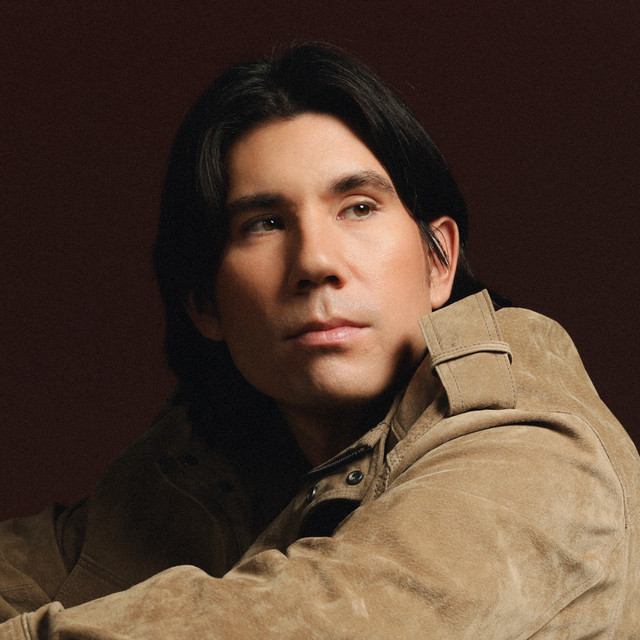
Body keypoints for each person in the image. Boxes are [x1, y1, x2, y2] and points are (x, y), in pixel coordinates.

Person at [1, 43, 638, 638]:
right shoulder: (210, 456)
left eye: (358, 207)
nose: (315, 261)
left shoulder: (533, 443)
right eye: (265, 223)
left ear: (438, 259)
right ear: (205, 302)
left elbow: (313, 621)